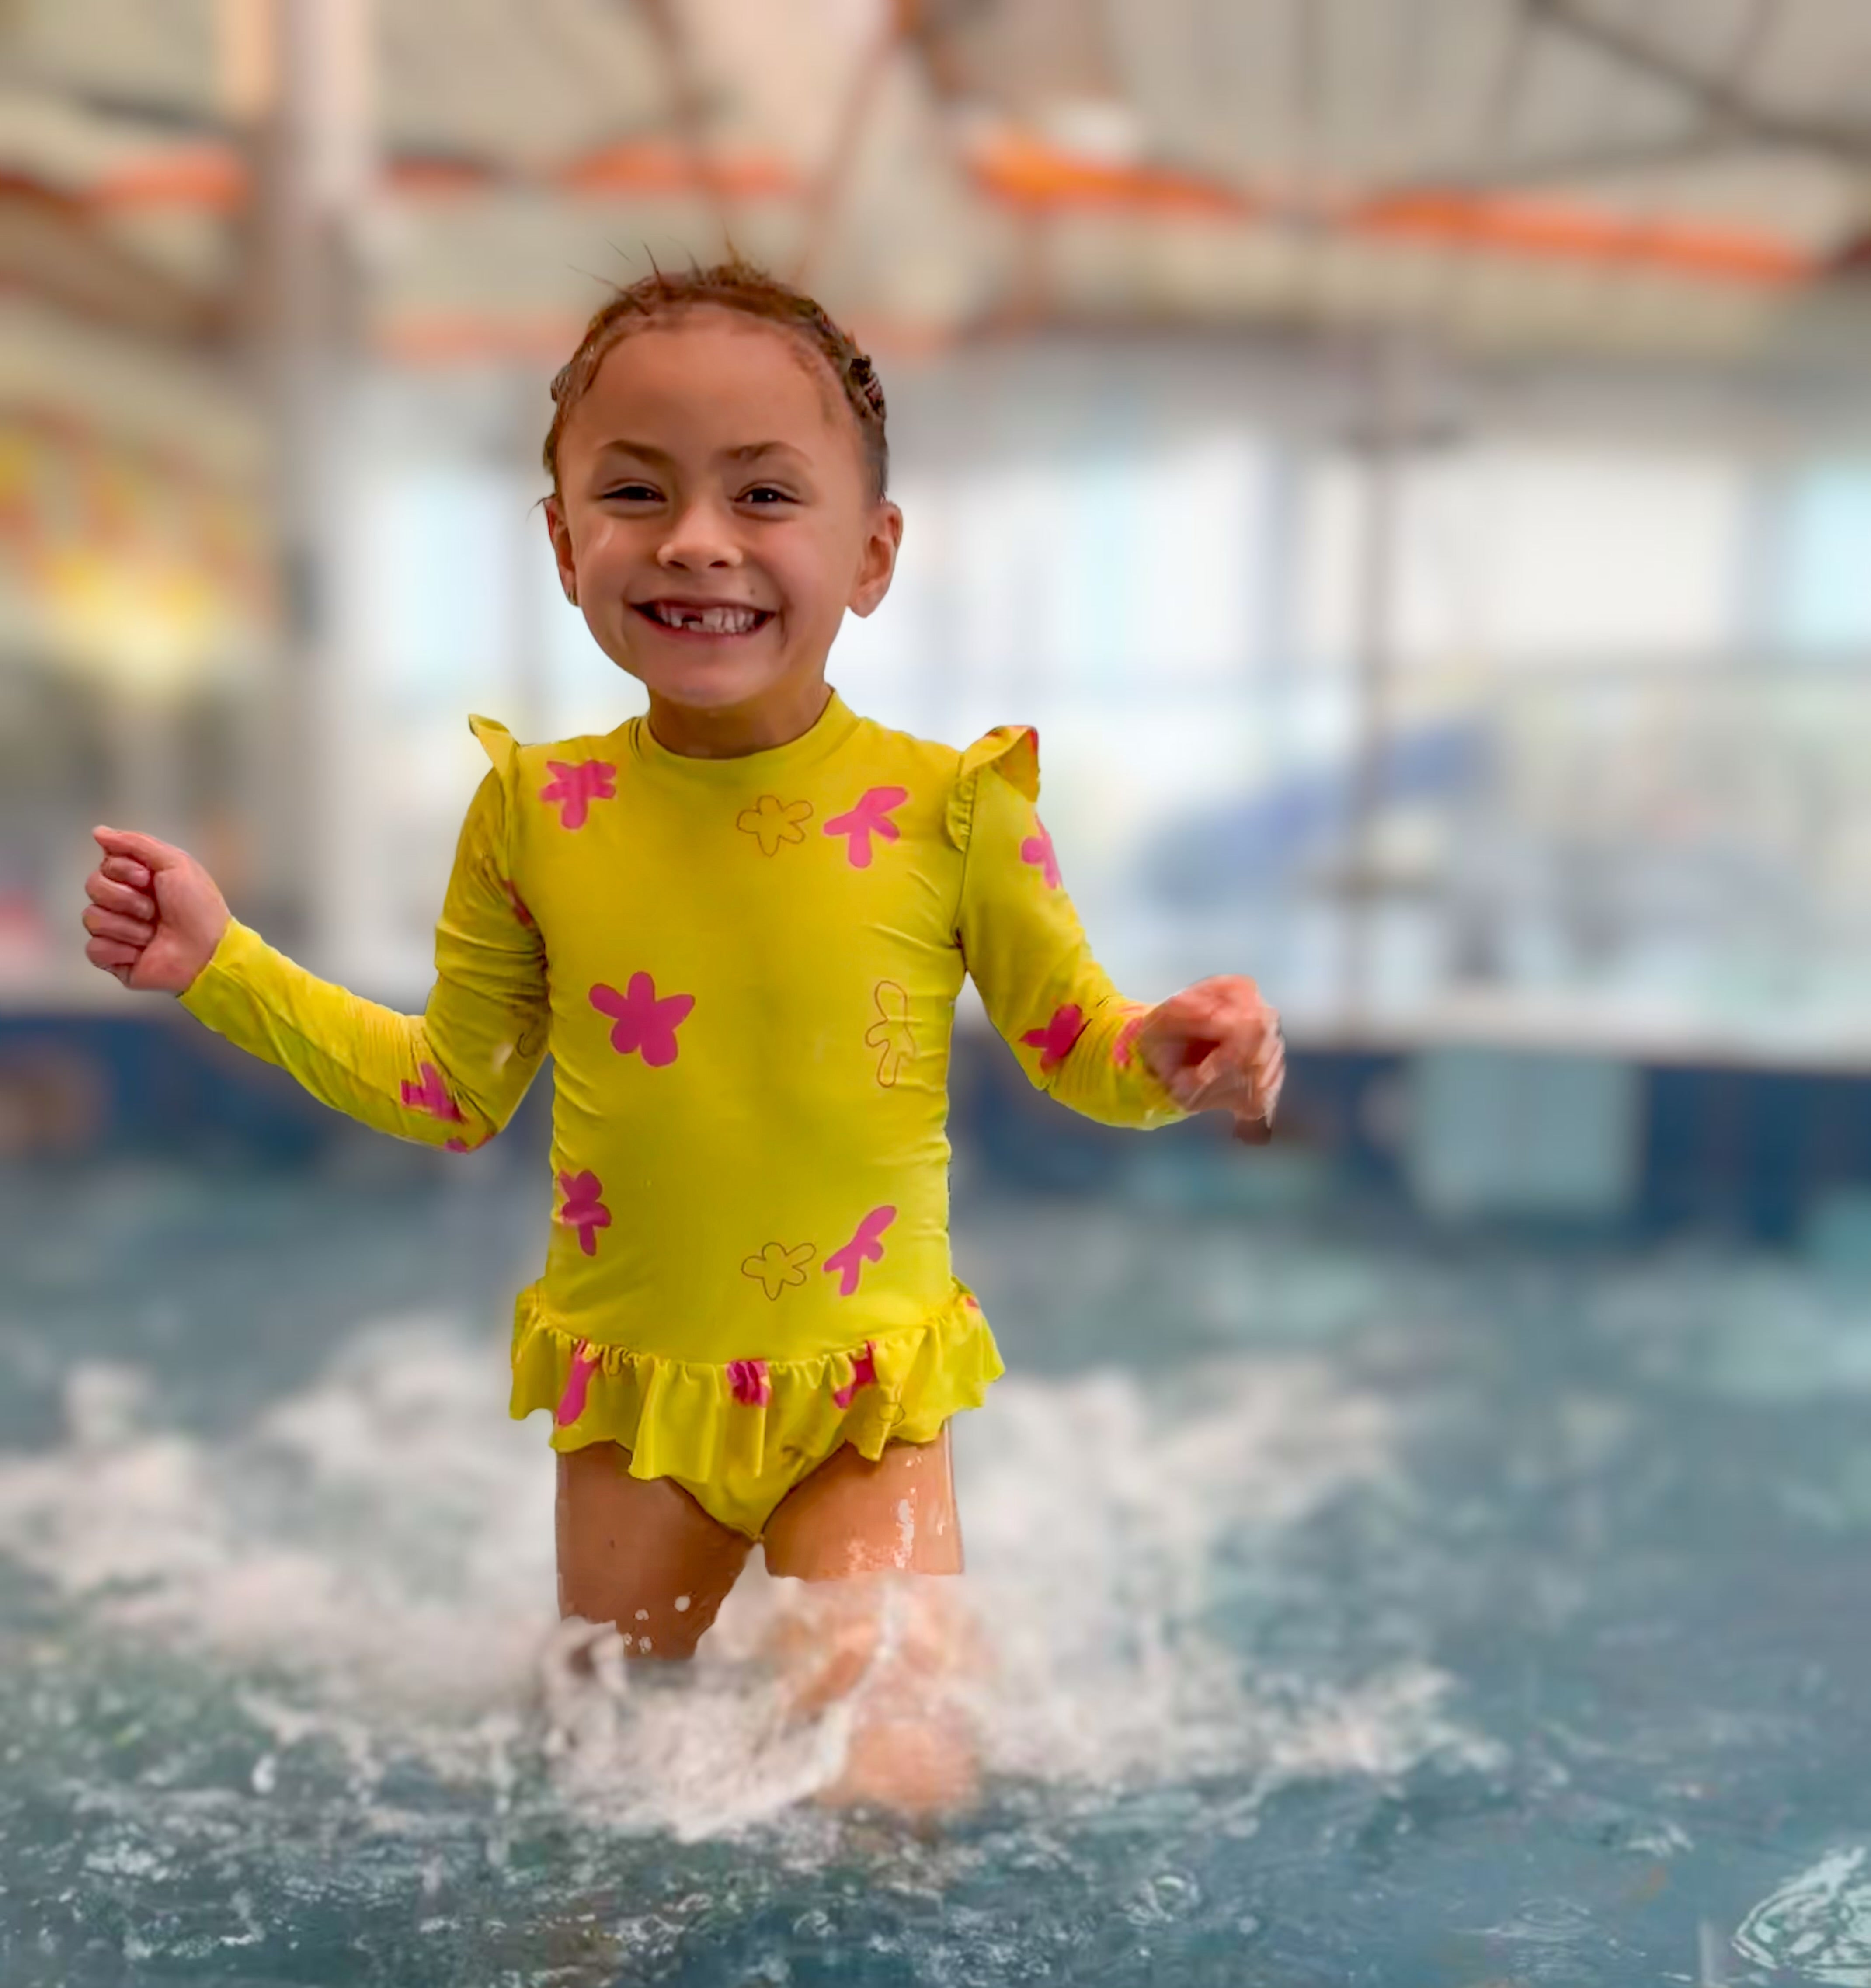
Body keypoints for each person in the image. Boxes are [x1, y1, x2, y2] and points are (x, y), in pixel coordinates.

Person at [81, 259, 1284, 1816]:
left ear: (873, 553)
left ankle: (899, 1718)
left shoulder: (954, 809)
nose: (697, 538)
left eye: (764, 493)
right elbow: (450, 1092)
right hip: (637, 1403)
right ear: (563, 542)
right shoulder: (537, 815)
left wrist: (1166, 1056)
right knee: (604, 1779)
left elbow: (1072, 1043)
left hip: (865, 1395)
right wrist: (223, 965)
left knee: (899, 1783)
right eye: (636, 491)